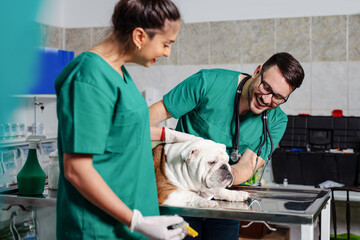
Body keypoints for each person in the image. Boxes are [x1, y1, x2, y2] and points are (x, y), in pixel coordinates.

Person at [55, 0, 186, 239]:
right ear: (139, 36)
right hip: (101, 229)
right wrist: (135, 221)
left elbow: (127, 134)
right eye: (166, 44)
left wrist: (177, 137)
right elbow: (77, 170)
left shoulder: (120, 72)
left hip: (131, 220)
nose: (167, 52)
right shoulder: (87, 77)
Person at [149, 52, 305, 239]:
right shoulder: (208, 83)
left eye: (278, 97)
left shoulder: (276, 120)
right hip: (177, 194)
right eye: (266, 87)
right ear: (257, 71)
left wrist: (217, 179)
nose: (266, 99)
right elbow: (143, 122)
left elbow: (248, 164)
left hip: (225, 198)